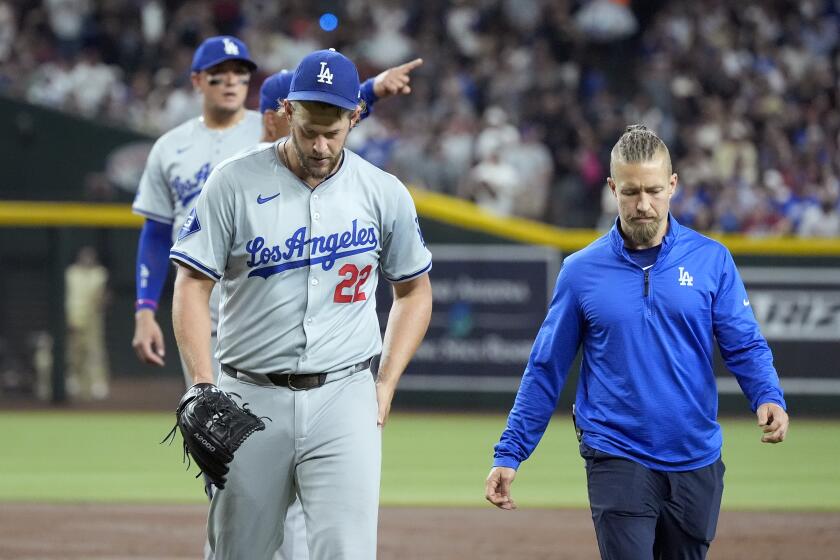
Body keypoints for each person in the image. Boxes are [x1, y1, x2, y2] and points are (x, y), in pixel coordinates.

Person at [169, 49, 433, 559]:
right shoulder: (232, 181)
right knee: (238, 552)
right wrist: (202, 385)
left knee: (347, 551)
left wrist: (386, 381)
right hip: (248, 396)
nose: (318, 144)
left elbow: (415, 290)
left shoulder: (383, 192)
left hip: (344, 395)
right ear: (287, 111)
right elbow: (190, 285)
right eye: (309, 128)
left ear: (355, 116)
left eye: (332, 132)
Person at [485, 125, 789, 559]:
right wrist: (510, 452)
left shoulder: (712, 260)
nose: (643, 204)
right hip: (616, 453)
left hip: (695, 456)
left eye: (652, 190)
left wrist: (767, 394)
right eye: (630, 192)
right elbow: (545, 367)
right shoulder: (581, 271)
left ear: (672, 186)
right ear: (612, 188)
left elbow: (745, 344)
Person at [258, 57, 423, 142]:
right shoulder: (241, 174)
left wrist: (373, 89)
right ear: (272, 121)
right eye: (307, 114)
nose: (320, 124)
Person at [65, 246, 109, 400]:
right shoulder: (71, 273)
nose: (87, 259)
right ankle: (73, 380)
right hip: (74, 316)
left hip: (93, 317)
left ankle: (97, 384)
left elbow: (104, 295)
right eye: (84, 256)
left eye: (90, 256)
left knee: (95, 351)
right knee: (73, 350)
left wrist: (100, 302)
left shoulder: (100, 273)